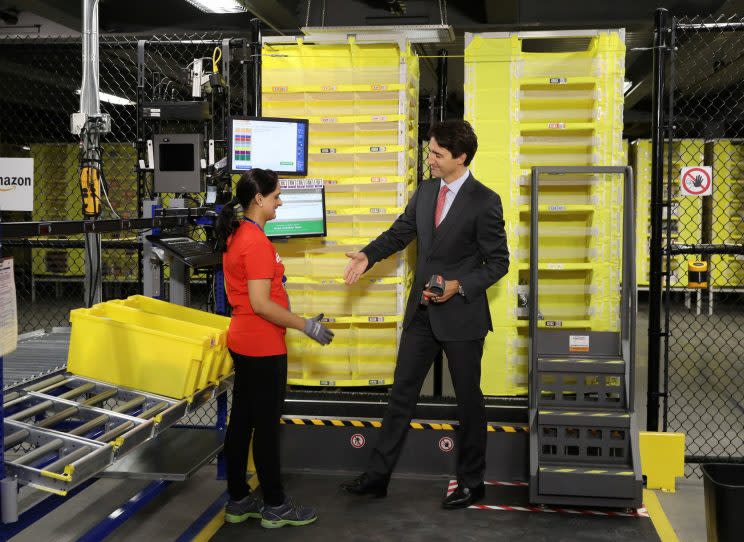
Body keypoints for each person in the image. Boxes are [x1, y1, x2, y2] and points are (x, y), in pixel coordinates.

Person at [341, 120, 509, 508]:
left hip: (462, 316)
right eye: (429, 152)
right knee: (401, 393)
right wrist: (368, 255)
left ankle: (472, 481)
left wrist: (459, 285)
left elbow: (498, 262)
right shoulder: (426, 191)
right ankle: (378, 477)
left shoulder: (485, 201)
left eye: (437, 154)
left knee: (468, 400)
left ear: (460, 157)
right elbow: (399, 233)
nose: (429, 160)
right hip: (422, 312)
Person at [215, 168, 334, 528]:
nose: (280, 201)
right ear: (259, 200)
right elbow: (262, 303)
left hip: (245, 340)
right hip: (262, 346)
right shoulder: (255, 242)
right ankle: (276, 504)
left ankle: (238, 499)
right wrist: (305, 325)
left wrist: (294, 316)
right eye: (277, 196)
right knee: (266, 428)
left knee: (242, 421)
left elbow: (260, 300)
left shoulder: (240, 235)